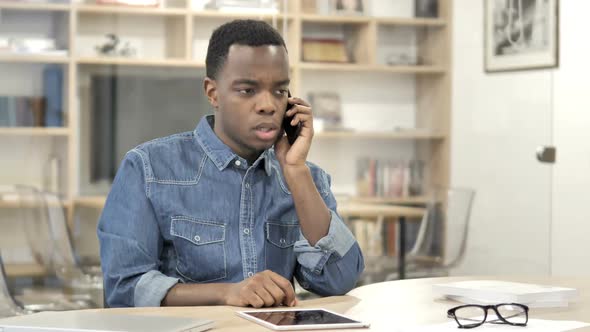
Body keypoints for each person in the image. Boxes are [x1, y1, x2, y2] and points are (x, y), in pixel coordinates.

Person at [97, 19, 364, 308]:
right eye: (248, 90)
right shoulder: (148, 169)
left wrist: (296, 172)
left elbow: (341, 280)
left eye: (279, 90)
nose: (268, 105)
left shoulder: (305, 177)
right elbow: (123, 290)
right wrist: (227, 293)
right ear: (213, 93)